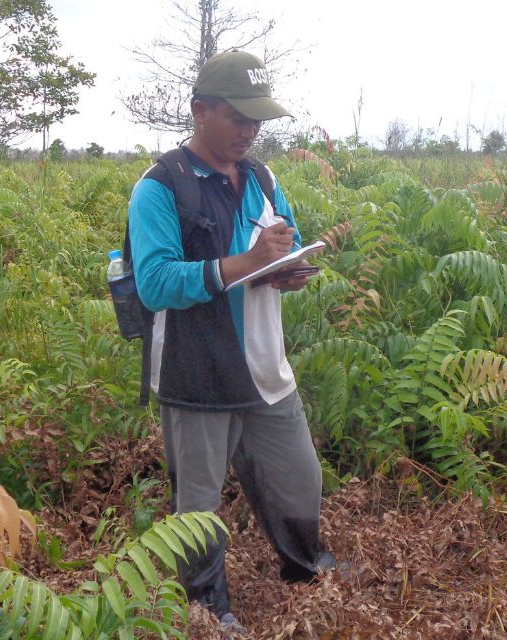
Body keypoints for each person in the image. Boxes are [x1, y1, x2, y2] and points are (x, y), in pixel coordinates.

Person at [127, 50, 340, 634]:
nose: (250, 131)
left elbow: (280, 246)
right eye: (238, 118)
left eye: (257, 121)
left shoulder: (263, 181)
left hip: (267, 371)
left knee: (300, 480)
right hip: (195, 374)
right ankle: (207, 612)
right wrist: (247, 261)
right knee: (198, 509)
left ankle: (308, 574)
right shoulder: (160, 188)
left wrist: (286, 272)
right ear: (201, 110)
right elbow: (155, 283)